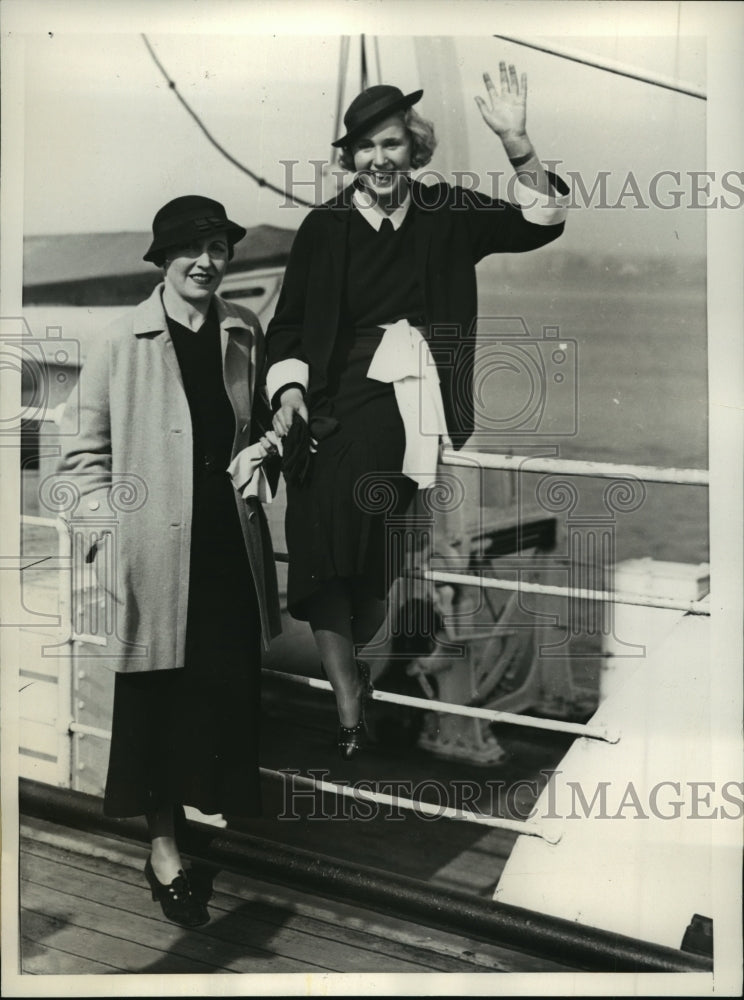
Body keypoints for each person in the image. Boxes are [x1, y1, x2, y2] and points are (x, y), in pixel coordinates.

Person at [265, 64, 569, 759]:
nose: (379, 159)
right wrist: (287, 392)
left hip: (408, 401)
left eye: (393, 145)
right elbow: (287, 330)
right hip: (329, 400)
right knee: (323, 535)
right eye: (366, 147)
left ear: (414, 150)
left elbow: (541, 222)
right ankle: (349, 688)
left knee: (370, 556)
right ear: (350, 158)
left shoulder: (447, 214)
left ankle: (357, 677)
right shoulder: (324, 227)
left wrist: (517, 142)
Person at [56, 195, 281, 926]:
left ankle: (195, 824)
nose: (208, 261)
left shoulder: (243, 329)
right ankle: (163, 853)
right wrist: (105, 539)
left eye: (219, 247)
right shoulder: (124, 341)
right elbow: (81, 456)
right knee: (155, 703)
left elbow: (265, 423)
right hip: (150, 557)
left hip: (226, 551)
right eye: (193, 248)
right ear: (163, 259)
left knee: (216, 694)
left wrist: (268, 449)